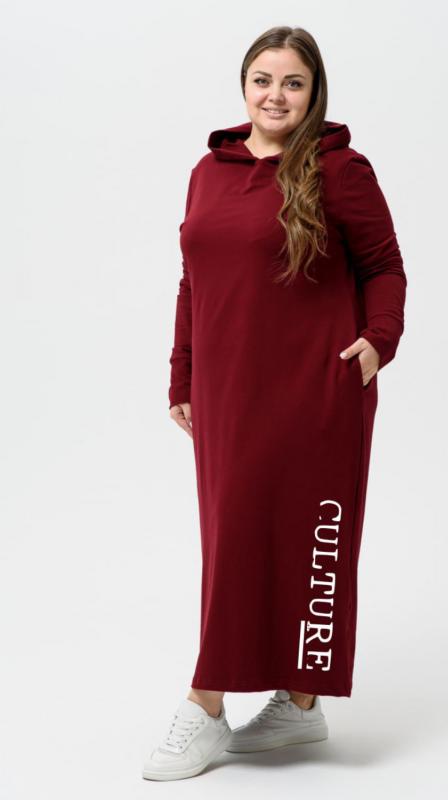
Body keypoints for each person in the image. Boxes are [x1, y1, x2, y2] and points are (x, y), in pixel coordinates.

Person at [143, 25, 407, 782]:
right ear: (244, 86)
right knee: (234, 537)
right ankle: (298, 704)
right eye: (263, 80)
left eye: (292, 82)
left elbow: (385, 265)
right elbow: (193, 280)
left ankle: (207, 704)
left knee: (299, 540)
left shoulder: (339, 170)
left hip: (313, 388)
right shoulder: (209, 171)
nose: (275, 96)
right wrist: (182, 376)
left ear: (313, 91)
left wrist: (378, 341)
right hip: (228, 392)